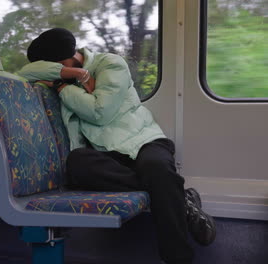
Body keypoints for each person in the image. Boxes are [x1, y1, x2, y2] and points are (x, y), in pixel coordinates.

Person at [17, 28, 216, 264]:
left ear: (68, 56)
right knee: (77, 163)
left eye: (59, 65)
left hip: (142, 140)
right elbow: (26, 72)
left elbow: (101, 112)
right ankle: (180, 197)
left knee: (156, 168)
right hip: (105, 155)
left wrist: (63, 87)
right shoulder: (69, 74)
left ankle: (178, 258)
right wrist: (72, 74)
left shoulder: (110, 64)